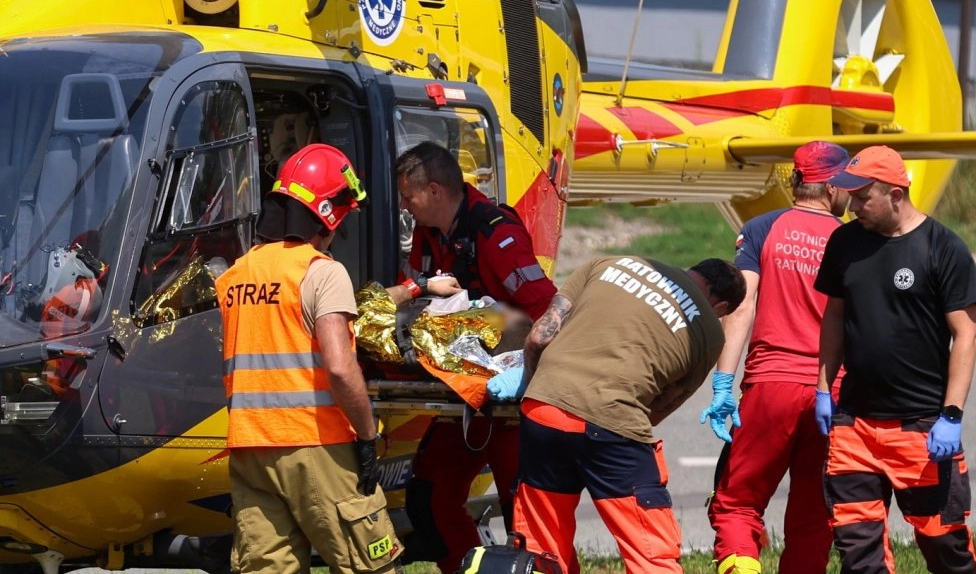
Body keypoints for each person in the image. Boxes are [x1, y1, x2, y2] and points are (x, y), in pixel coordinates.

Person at [489, 255, 745, 574]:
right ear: (721, 308)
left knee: (542, 548)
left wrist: (529, 386)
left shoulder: (608, 263)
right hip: (612, 422)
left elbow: (541, 335)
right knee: (650, 554)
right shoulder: (710, 332)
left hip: (543, 408)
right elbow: (664, 403)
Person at [218, 144, 403, 574]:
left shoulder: (236, 275)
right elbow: (339, 366)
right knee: (368, 564)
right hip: (316, 443)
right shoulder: (321, 271)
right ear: (330, 213)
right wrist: (366, 434)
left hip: (249, 448)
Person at [384, 141, 557, 574]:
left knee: (522, 510)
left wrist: (526, 378)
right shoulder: (430, 235)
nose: (405, 206)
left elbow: (548, 307)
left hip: (510, 400)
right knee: (429, 498)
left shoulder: (495, 233)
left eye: (409, 196)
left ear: (436, 191)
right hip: (465, 393)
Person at [814, 145, 976, 574]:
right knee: (857, 551)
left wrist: (952, 413)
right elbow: (834, 316)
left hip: (921, 428)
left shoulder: (943, 248)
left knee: (944, 545)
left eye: (862, 197)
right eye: (849, 196)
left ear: (895, 195)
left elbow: (966, 334)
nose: (852, 207)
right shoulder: (844, 242)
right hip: (855, 427)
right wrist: (822, 389)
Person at [702, 141, 851, 574]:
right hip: (832, 392)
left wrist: (723, 383)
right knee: (813, 515)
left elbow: (741, 306)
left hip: (769, 387)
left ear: (797, 181)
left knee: (737, 504)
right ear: (833, 186)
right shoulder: (852, 239)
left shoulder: (763, 227)